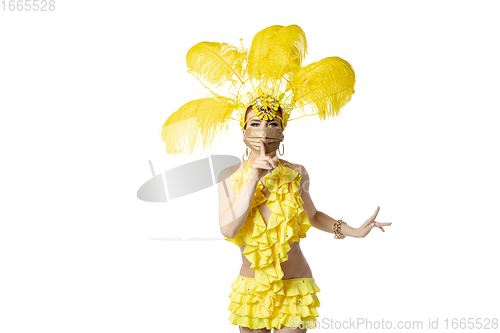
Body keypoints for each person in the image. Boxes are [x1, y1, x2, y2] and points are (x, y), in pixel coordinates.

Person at [160, 24, 392, 332]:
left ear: (282, 132)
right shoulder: (229, 175)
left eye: (272, 123)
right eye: (255, 123)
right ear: (243, 131)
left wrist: (351, 231)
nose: (263, 130)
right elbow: (228, 229)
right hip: (251, 289)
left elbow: (312, 215)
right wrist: (254, 177)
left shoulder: (297, 172)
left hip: (295, 285)